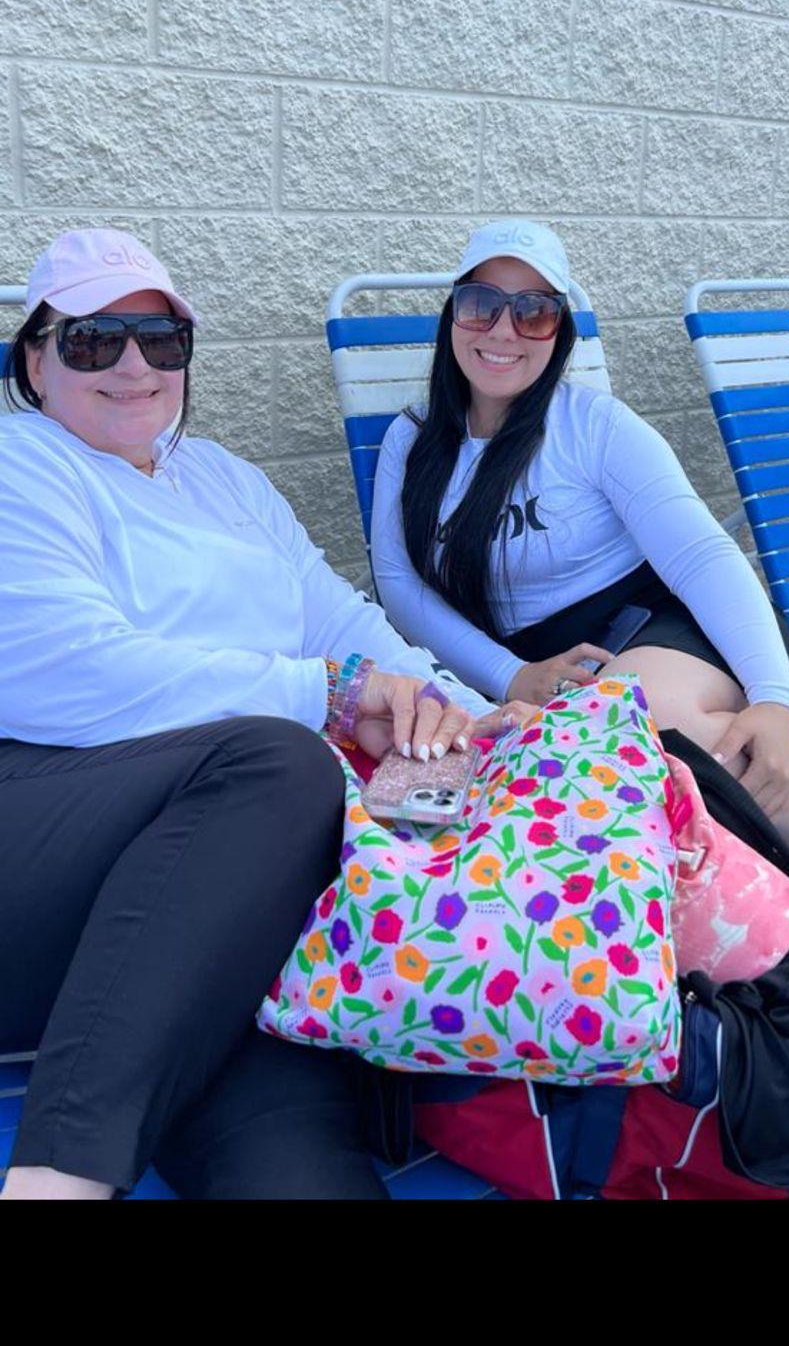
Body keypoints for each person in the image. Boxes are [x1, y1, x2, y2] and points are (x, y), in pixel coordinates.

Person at [0, 228, 527, 1203]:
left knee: (291, 1152)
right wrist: (322, 692)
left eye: (162, 341)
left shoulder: (226, 480)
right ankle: (57, 1176)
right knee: (280, 761)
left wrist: (451, 709)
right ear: (34, 358)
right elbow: (52, 670)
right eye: (92, 339)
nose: (133, 364)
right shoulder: (21, 465)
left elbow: (343, 620)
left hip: (209, 910)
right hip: (42, 851)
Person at [372, 218, 789, 953]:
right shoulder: (411, 440)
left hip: (664, 626)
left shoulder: (595, 428)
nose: (503, 331)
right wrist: (510, 675)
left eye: (534, 310)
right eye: (482, 303)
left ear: (559, 332)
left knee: (639, 723)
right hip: (543, 673)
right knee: (603, 771)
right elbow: (399, 588)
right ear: (452, 315)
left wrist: (775, 698)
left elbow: (705, 558)